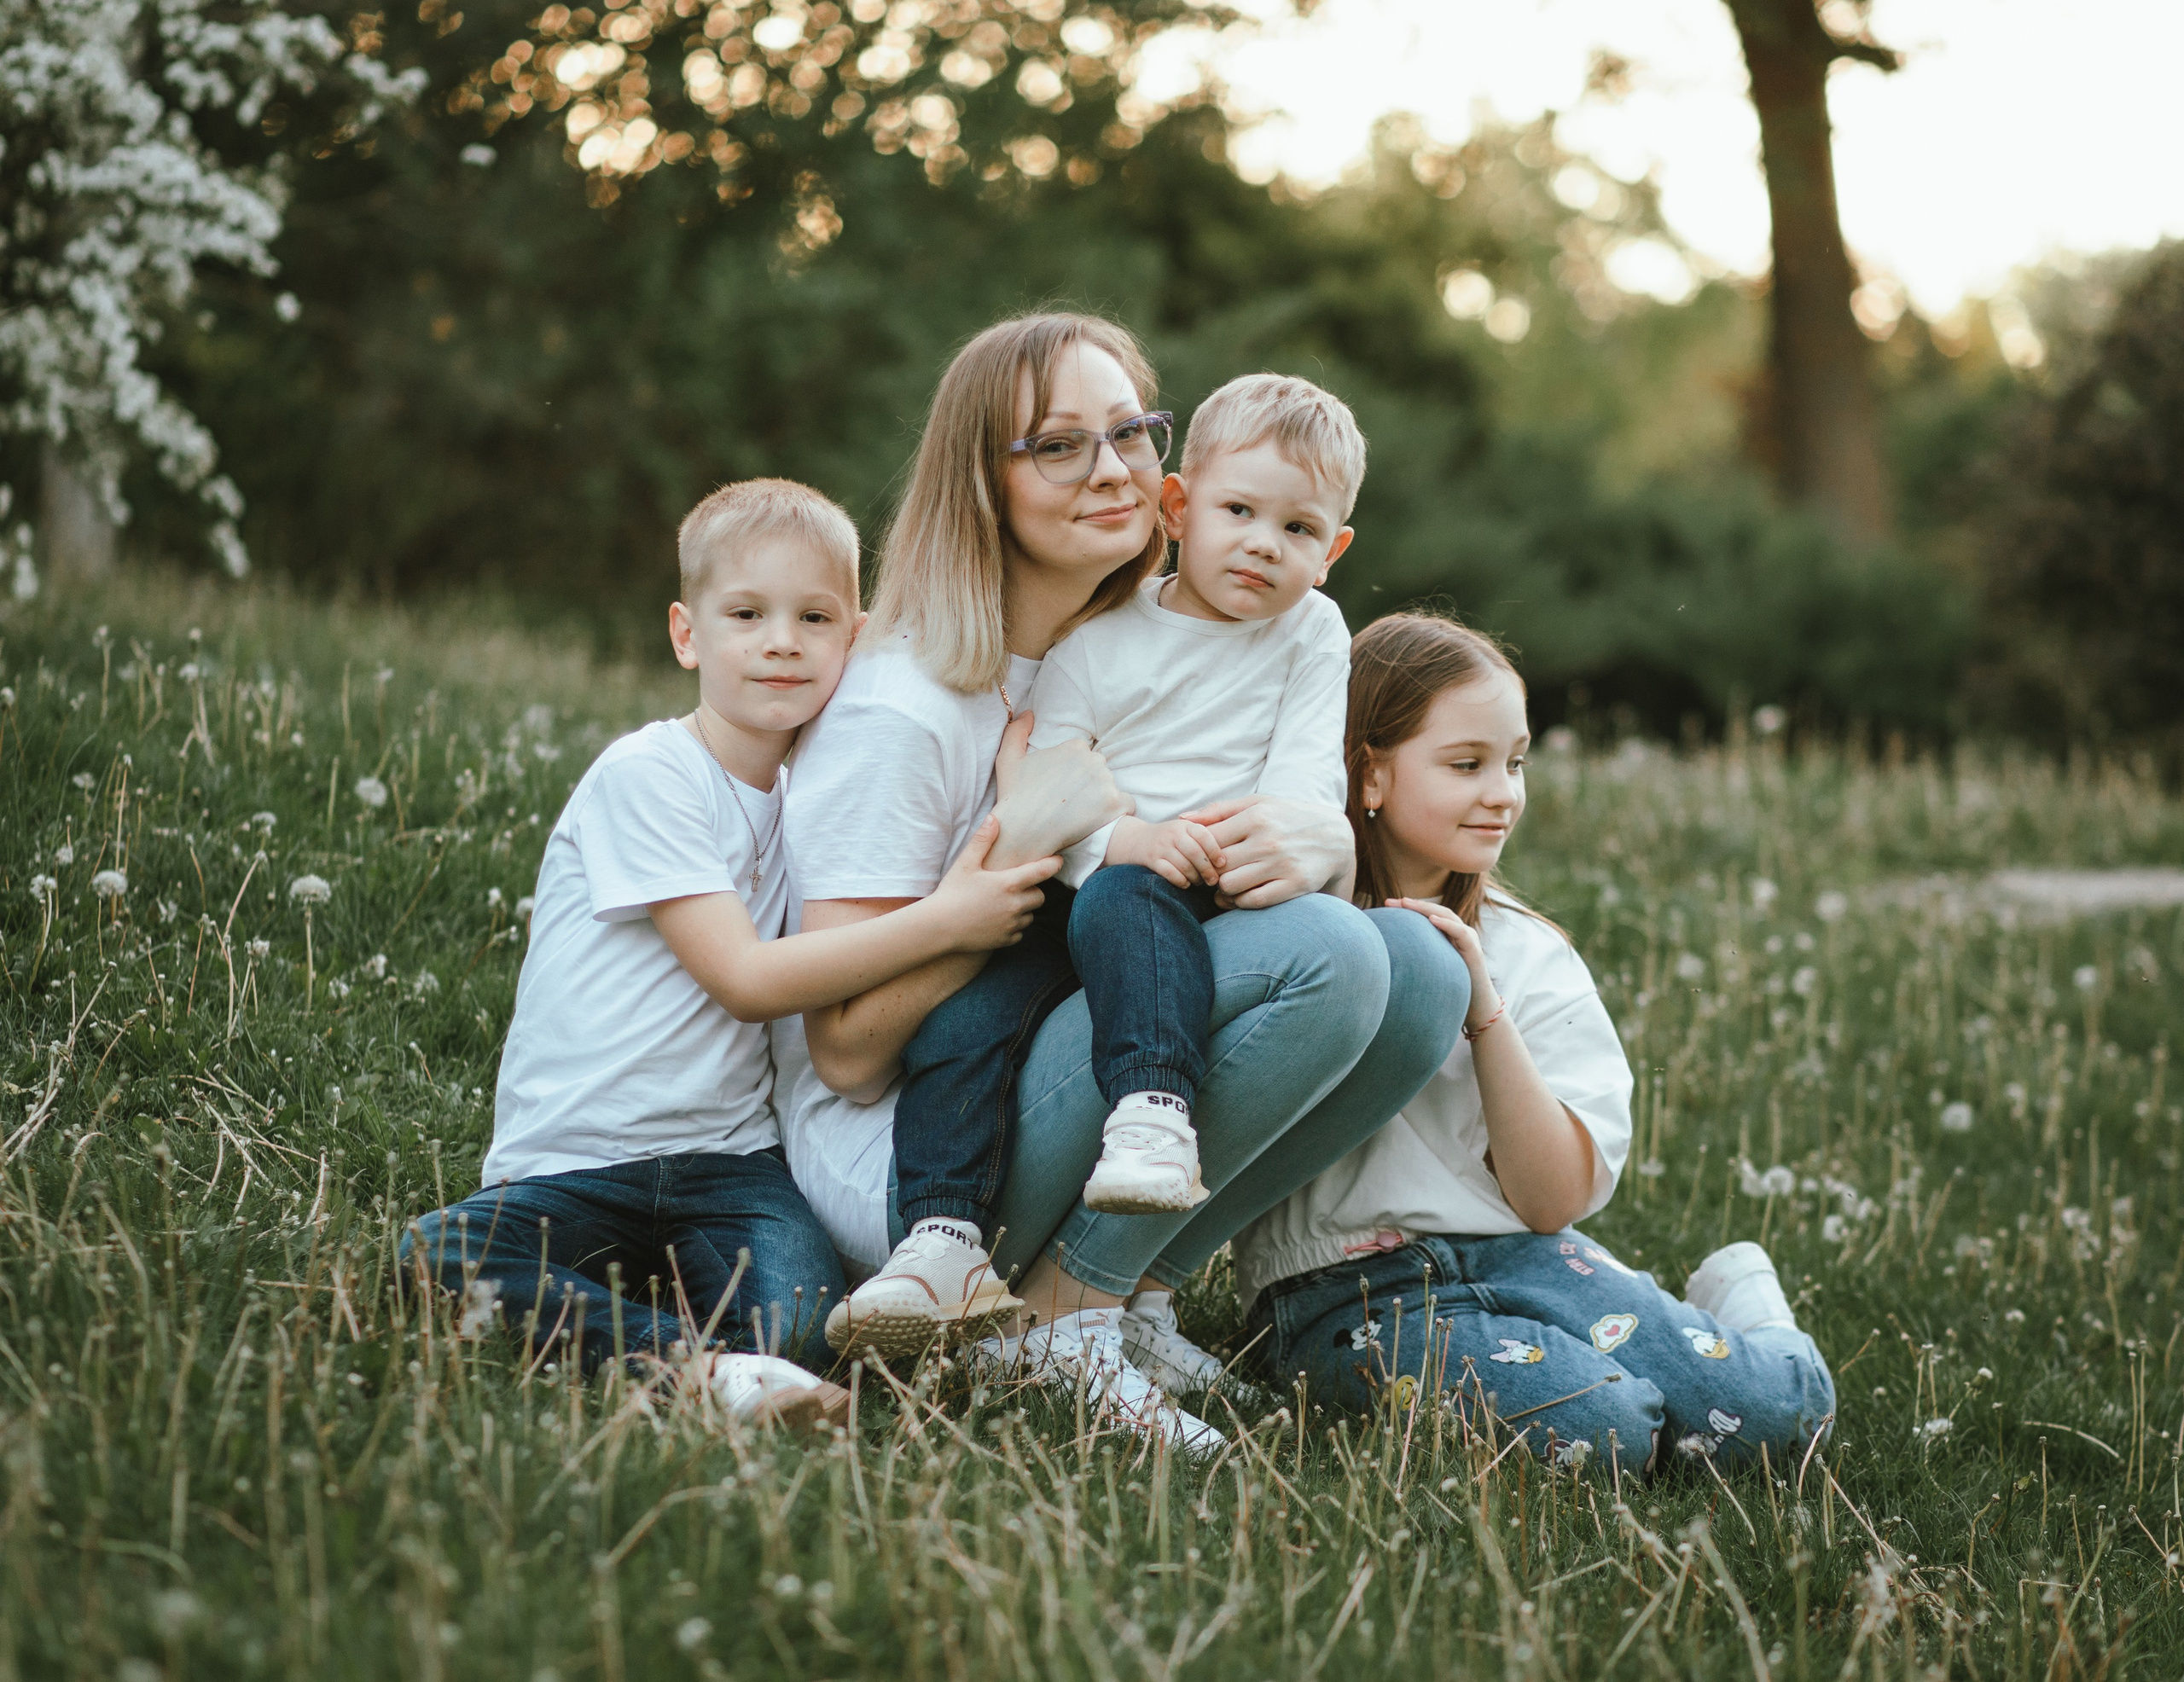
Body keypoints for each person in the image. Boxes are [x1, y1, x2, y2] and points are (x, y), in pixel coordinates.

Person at [775, 313, 1472, 1451]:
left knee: (1420, 973)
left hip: (1076, 1038)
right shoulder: (903, 711)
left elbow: (1278, 788)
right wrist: (990, 895)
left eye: (1129, 432)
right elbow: (847, 1053)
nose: (1109, 471)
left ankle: (1134, 1296)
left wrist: (1318, 844)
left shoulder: (1153, 641)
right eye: (1058, 445)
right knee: (1332, 958)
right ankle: (1059, 1311)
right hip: (913, 1154)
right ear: (983, 484)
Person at [400, 478, 1058, 1428]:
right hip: (576, 1159)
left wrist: (1009, 801)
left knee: (802, 1317)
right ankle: (696, 1370)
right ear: (686, 633)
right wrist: (951, 921)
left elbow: (863, 928)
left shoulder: (812, 807)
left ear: (856, 638)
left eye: (814, 616)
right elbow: (747, 981)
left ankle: (734, 1361)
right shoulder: (649, 774)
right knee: (438, 1258)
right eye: (746, 613)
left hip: (734, 1165)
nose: (781, 639)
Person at [1230, 613, 1838, 1473]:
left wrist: (1484, 1009)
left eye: (1513, 762)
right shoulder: (1299, 935)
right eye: (1465, 764)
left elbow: (1550, 1200)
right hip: (1342, 1290)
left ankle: (1733, 1304)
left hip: (1528, 1253)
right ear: (1368, 772)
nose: (1503, 792)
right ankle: (1611, 1379)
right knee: (1597, 1430)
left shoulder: (1528, 951)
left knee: (1774, 1420)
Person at [1022, 374, 1362, 1215]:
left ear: (1331, 554)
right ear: (1177, 508)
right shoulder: (1096, 644)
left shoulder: (1311, 630)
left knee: (1365, 942)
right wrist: (1122, 839)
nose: (1262, 544)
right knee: (1117, 899)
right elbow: (1049, 789)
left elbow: (1303, 774)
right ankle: (1150, 1114)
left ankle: (1161, 1256)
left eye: (1298, 529)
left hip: (1239, 883)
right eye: (1237, 512)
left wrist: (1272, 846)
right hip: (1113, 894)